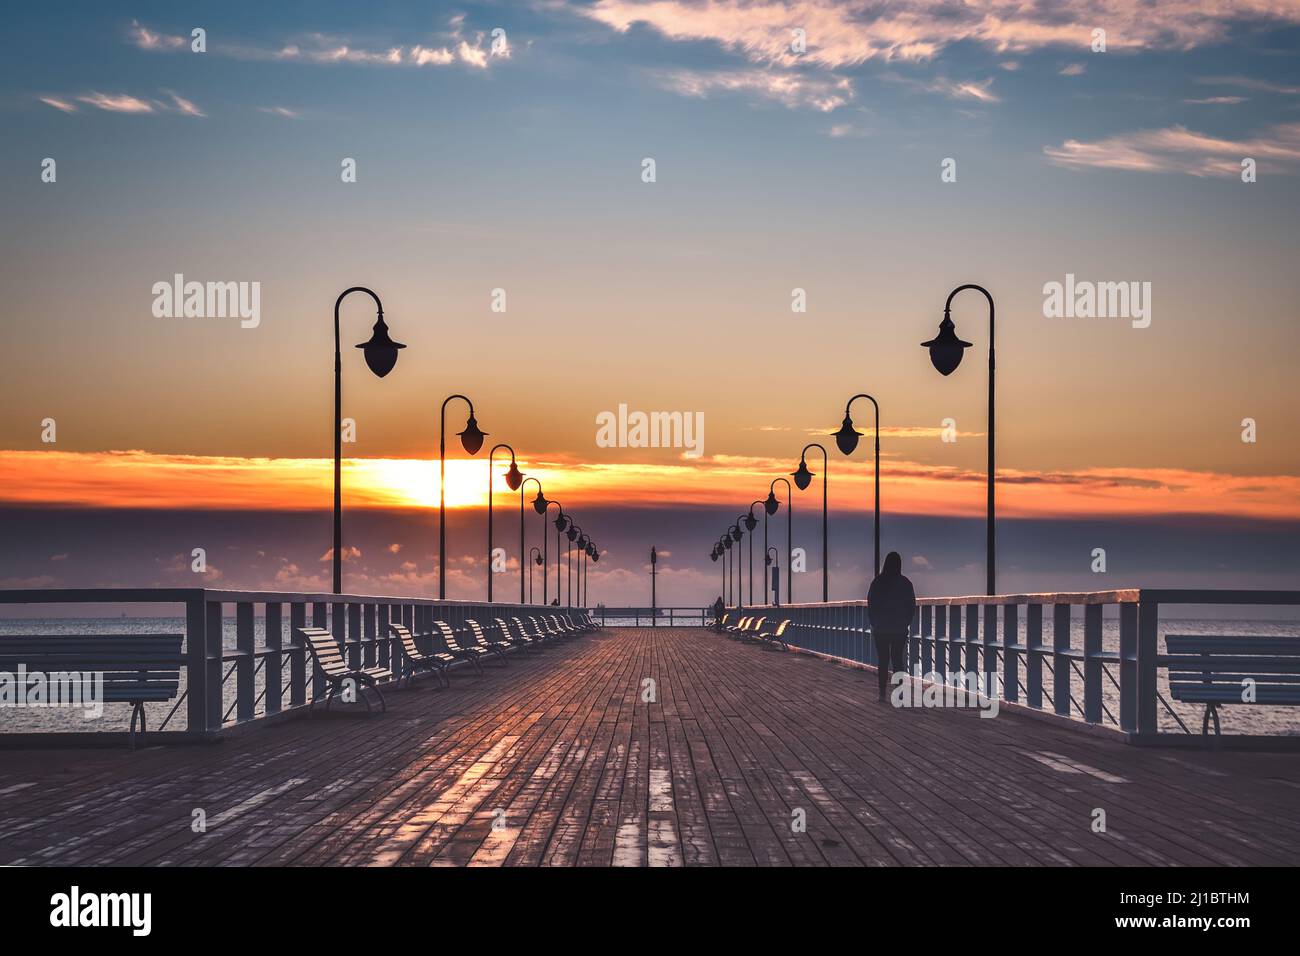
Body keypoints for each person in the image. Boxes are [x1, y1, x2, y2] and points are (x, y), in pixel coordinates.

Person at [867, 551, 916, 702]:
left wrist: (874, 622)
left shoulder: (877, 582)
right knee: (897, 660)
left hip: (881, 628)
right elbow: (911, 605)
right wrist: (906, 622)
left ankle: (882, 694)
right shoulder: (906, 583)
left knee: (883, 660)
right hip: (899, 629)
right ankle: (899, 693)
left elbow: (871, 603)